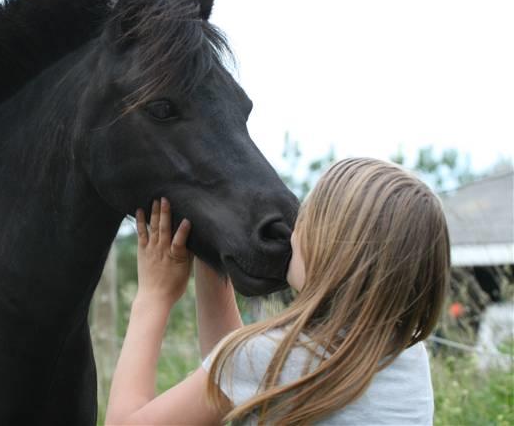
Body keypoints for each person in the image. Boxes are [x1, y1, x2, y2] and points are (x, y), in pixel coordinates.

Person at [105, 157, 450, 425]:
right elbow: (234, 380)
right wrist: (212, 259)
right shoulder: (404, 356)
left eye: (309, 219)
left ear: (335, 250)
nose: (293, 229)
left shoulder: (277, 358)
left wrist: (154, 295)